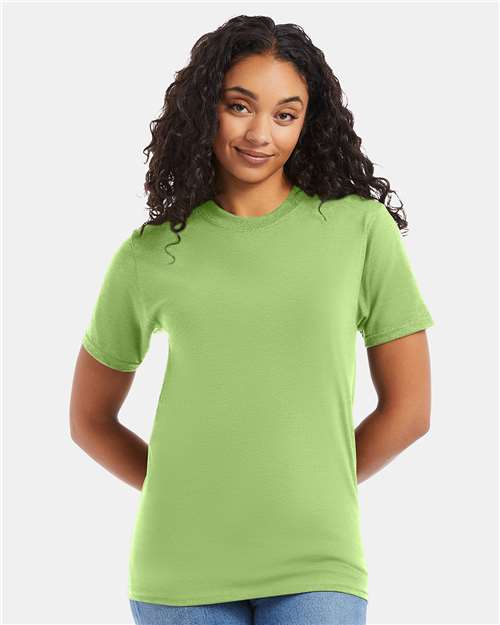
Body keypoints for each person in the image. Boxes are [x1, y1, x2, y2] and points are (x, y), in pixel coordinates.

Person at [70, 15, 434, 625]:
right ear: (204, 109)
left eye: (285, 114)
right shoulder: (150, 253)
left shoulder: (359, 230)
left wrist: (316, 488)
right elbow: (89, 419)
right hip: (179, 571)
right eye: (239, 106)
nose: (261, 133)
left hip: (317, 561)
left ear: (307, 123)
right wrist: (183, 495)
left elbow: (411, 411)